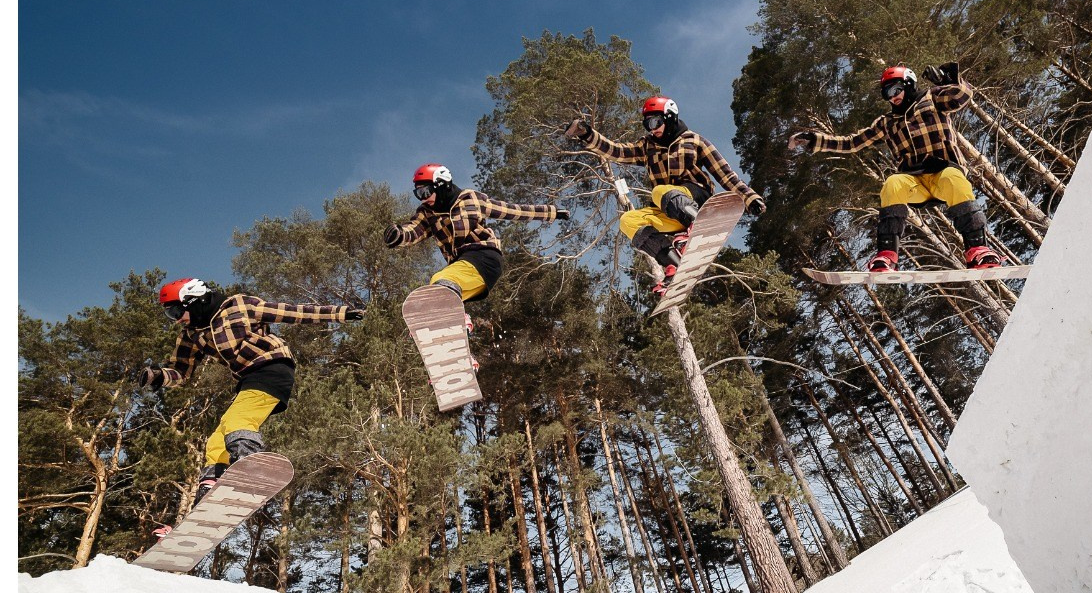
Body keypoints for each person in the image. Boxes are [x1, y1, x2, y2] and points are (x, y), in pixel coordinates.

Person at [137, 279, 365, 496]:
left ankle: (251, 465)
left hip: (271, 365)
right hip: (248, 378)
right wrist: (158, 377)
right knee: (219, 436)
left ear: (195, 301)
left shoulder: (238, 306)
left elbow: (294, 312)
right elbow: (180, 371)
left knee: (238, 421)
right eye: (170, 315)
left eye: (176, 312)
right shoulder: (191, 335)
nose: (176, 320)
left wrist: (341, 313)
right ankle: (213, 480)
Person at [789, 63, 1005, 273]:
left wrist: (946, 81)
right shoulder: (887, 123)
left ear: (909, 84)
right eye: (887, 94)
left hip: (943, 175)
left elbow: (962, 96)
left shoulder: (932, 99)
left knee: (952, 176)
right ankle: (887, 256)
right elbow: (851, 143)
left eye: (895, 90)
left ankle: (978, 248)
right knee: (893, 182)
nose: (892, 97)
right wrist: (814, 140)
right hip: (915, 182)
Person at [571, 96, 759, 295]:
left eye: (655, 122)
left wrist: (749, 197)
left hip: (697, 199)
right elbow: (616, 151)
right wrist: (588, 135)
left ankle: (699, 224)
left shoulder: (694, 140)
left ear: (670, 118)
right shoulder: (647, 147)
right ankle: (676, 265)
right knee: (628, 220)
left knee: (660, 190)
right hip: (669, 210)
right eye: (647, 124)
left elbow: (725, 173)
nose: (652, 129)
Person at [387, 164, 563, 310]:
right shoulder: (427, 213)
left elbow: (512, 210)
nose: (423, 199)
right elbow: (415, 229)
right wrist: (399, 235)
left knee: (442, 282)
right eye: (418, 194)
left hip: (483, 255)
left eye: (425, 192)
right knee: (443, 297)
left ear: (442, 185)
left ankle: (446, 304)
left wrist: (550, 213)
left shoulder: (471, 199)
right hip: (462, 266)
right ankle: (455, 332)